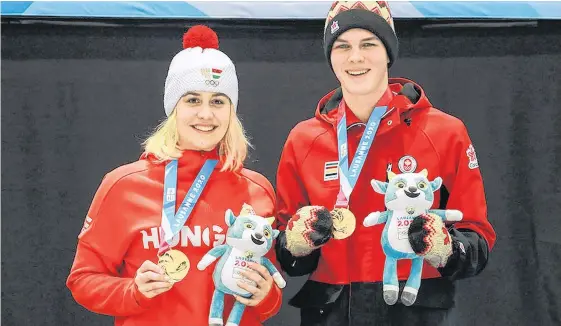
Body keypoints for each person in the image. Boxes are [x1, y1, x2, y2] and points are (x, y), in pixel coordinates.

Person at [274, 1, 497, 325]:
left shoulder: (444, 132)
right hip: (330, 311)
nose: (355, 57)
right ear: (330, 56)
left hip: (414, 309)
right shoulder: (304, 140)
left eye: (369, 44)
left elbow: (477, 238)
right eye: (343, 46)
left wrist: (445, 248)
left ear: (388, 51)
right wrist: (296, 242)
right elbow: (285, 251)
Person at [66, 25, 282, 326]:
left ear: (231, 112)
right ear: (173, 108)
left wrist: (266, 296)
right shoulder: (124, 185)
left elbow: (267, 294)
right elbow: (83, 280)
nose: (206, 114)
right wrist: (133, 290)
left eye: (218, 101)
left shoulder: (257, 189)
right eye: (192, 100)